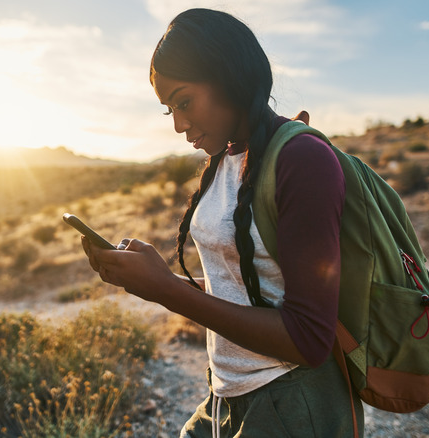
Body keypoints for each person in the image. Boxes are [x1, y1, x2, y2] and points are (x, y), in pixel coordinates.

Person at [82, 8, 364, 438]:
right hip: (227, 394)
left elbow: (310, 339)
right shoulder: (225, 159)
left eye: (184, 101)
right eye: (168, 110)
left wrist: (167, 290)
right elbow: (253, 280)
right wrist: (153, 273)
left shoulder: (302, 161)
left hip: (292, 403)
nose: (178, 124)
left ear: (229, 76)